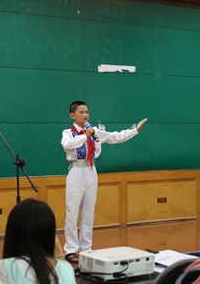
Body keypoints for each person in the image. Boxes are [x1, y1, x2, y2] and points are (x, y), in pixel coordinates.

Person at [61, 101, 147, 262]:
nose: (85, 115)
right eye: (81, 112)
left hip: (91, 170)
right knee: (72, 212)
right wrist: (85, 136)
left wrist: (135, 130)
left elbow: (114, 137)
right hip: (76, 171)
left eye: (87, 112)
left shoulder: (94, 131)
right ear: (72, 115)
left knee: (88, 211)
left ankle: (86, 248)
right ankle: (71, 249)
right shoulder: (68, 132)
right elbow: (67, 145)